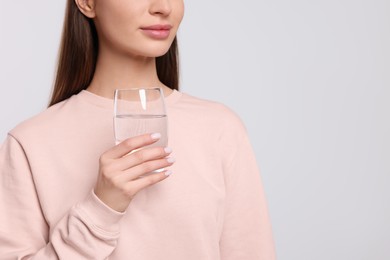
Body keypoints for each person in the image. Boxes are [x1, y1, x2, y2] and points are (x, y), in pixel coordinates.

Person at [0, 0, 276, 259]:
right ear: (86, 2)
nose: (162, 7)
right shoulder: (30, 142)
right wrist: (100, 208)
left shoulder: (220, 127)